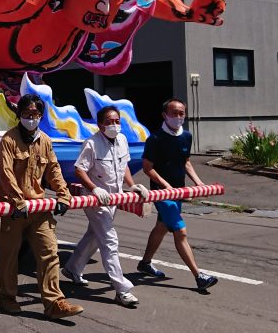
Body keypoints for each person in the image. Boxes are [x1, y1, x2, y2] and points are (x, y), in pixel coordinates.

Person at [0, 93, 84, 320]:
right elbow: (5, 174)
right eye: (26, 114)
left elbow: (53, 170)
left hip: (39, 208)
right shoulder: (8, 140)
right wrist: (17, 200)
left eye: (35, 114)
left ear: (41, 115)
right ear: (19, 115)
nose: (31, 118)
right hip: (12, 208)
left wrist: (64, 195)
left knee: (49, 252)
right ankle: (7, 296)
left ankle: (54, 303)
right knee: (9, 255)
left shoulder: (45, 140)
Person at [62, 106, 149, 307]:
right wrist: (93, 189)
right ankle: (122, 290)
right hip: (96, 200)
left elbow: (124, 164)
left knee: (94, 235)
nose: (114, 125)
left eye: (117, 121)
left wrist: (132, 185)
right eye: (109, 121)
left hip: (114, 198)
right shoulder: (91, 144)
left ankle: (72, 268)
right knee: (109, 241)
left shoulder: (122, 140)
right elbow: (79, 170)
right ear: (100, 124)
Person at [137, 98, 218, 291]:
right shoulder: (155, 139)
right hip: (161, 194)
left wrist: (198, 183)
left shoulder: (186, 136)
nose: (179, 117)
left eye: (182, 113)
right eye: (174, 113)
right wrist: (165, 186)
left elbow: (186, 162)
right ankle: (199, 277)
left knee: (162, 227)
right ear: (165, 115)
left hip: (178, 191)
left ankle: (145, 263)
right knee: (180, 231)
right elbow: (147, 168)